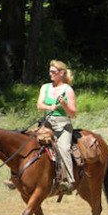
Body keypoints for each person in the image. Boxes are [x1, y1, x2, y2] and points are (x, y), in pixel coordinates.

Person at [37, 60, 77, 191]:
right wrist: (50, 107)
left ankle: (69, 180)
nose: (51, 74)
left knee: (63, 148)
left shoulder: (68, 90)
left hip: (62, 124)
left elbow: (72, 113)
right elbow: (39, 105)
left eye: (53, 72)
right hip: (47, 122)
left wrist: (63, 104)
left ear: (61, 73)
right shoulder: (45, 87)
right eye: (50, 71)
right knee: (28, 141)